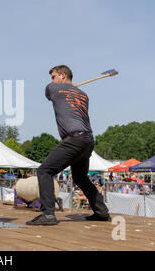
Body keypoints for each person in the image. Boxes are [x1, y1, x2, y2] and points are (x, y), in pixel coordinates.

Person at [26, 65, 111, 226]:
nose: (51, 80)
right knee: (80, 177)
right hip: (88, 139)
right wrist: (70, 88)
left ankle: (48, 215)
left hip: (74, 139)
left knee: (44, 170)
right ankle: (102, 212)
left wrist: (61, 88)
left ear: (62, 76)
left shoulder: (54, 89)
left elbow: (47, 93)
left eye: (53, 76)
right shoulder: (83, 95)